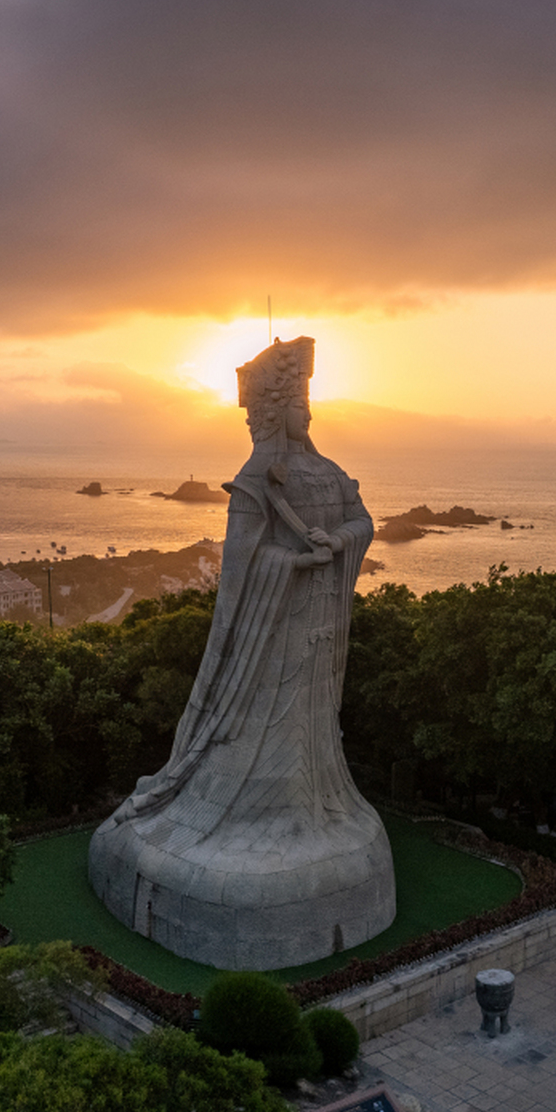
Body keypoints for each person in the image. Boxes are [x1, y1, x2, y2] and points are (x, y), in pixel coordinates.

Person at [88, 336, 395, 969]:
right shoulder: (259, 479)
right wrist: (291, 559)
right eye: (300, 402)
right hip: (268, 645)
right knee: (265, 732)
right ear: (272, 408)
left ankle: (310, 813)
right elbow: (238, 574)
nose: (309, 414)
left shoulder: (329, 471)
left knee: (312, 734)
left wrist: (337, 540)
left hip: (316, 634)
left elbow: (364, 520)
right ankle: (240, 814)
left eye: (310, 400)